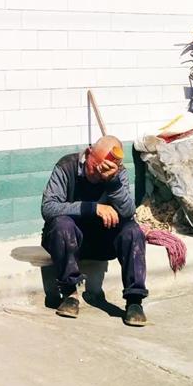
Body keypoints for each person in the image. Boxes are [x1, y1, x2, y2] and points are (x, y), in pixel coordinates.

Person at [41, 135, 148, 326]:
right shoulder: (66, 165)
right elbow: (48, 208)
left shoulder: (117, 173)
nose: (97, 175)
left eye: (102, 172)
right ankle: (70, 293)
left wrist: (113, 182)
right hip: (72, 239)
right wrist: (92, 208)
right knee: (61, 224)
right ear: (89, 153)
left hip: (103, 239)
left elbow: (128, 211)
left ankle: (134, 301)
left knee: (133, 231)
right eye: (94, 167)